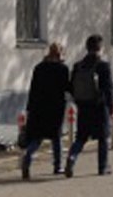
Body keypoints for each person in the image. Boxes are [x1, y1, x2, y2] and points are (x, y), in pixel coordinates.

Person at [65, 34, 113, 177]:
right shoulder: (103, 66)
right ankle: (102, 167)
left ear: (87, 47)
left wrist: (78, 101)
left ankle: (72, 157)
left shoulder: (78, 66)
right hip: (99, 107)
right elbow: (108, 90)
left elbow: (71, 87)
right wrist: (111, 109)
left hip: (83, 107)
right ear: (100, 48)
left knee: (81, 137)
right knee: (103, 138)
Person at [20, 43, 69, 179]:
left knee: (37, 137)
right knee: (56, 137)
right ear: (60, 54)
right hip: (55, 108)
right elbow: (66, 87)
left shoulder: (39, 68)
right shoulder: (62, 69)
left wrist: (29, 108)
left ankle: (28, 157)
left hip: (38, 108)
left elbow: (33, 89)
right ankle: (58, 166)